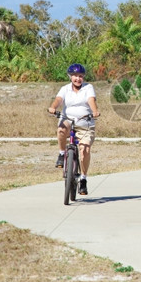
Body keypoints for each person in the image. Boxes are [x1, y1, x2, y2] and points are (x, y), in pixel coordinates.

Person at [47, 63, 100, 195]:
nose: (78, 79)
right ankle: (61, 153)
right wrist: (53, 107)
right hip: (68, 119)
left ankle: (83, 179)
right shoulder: (65, 89)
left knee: (85, 150)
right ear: (70, 76)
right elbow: (58, 100)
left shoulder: (88, 88)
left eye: (81, 76)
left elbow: (91, 100)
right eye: (75, 76)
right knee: (61, 130)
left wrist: (94, 111)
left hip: (85, 122)